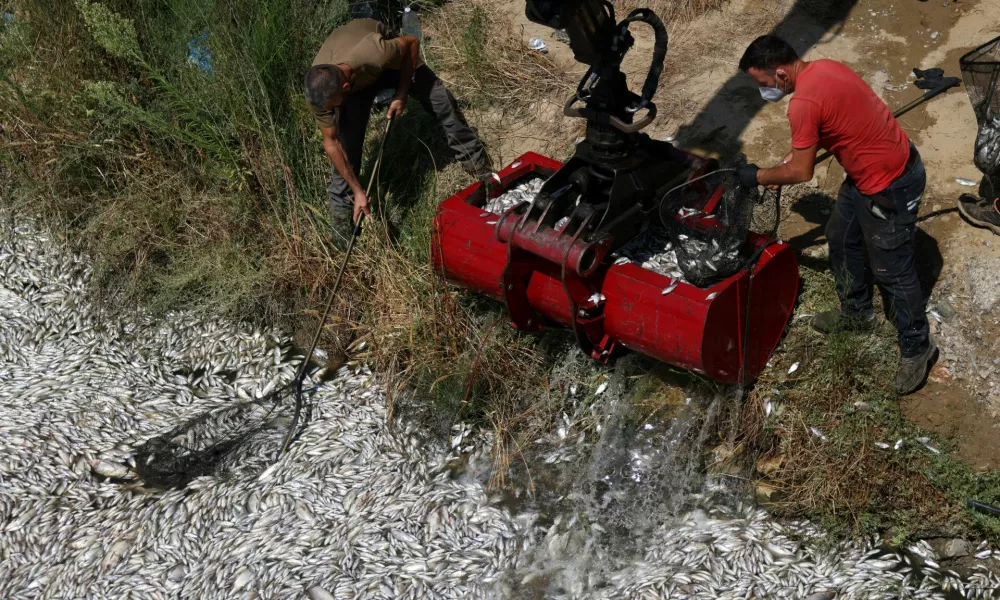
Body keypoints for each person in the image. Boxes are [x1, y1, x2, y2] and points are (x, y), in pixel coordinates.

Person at [735, 35, 936, 395]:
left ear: (780, 73)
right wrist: (786, 162)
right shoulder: (825, 68)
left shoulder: (803, 103)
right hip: (868, 174)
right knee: (840, 235)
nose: (762, 90)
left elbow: (801, 172)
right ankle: (857, 314)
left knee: (892, 269)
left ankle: (917, 346)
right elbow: (817, 134)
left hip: (890, 184)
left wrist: (759, 176)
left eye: (762, 82)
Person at [304, 18, 492, 247]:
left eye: (333, 106)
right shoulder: (318, 91)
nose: (331, 112)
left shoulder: (374, 52)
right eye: (329, 108)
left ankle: (477, 165)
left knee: (441, 101)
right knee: (347, 147)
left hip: (393, 63)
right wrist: (358, 190)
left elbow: (412, 43)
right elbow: (331, 143)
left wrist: (401, 93)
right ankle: (344, 231)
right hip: (352, 84)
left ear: (344, 88)